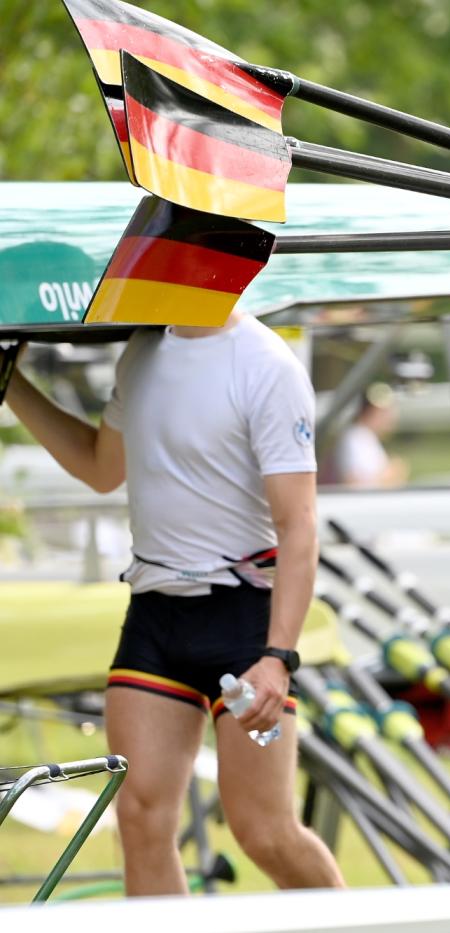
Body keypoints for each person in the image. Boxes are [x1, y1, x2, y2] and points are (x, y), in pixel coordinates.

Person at [3, 311, 344, 896]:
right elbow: (100, 468)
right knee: (139, 819)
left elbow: (299, 525)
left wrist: (278, 656)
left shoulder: (266, 365)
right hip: (155, 615)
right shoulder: (142, 351)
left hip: (244, 624)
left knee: (264, 832)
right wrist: (12, 384)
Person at [332, 383, 408, 488]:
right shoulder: (355, 437)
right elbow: (355, 483)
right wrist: (392, 473)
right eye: (385, 412)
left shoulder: (364, 436)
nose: (391, 417)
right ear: (373, 411)